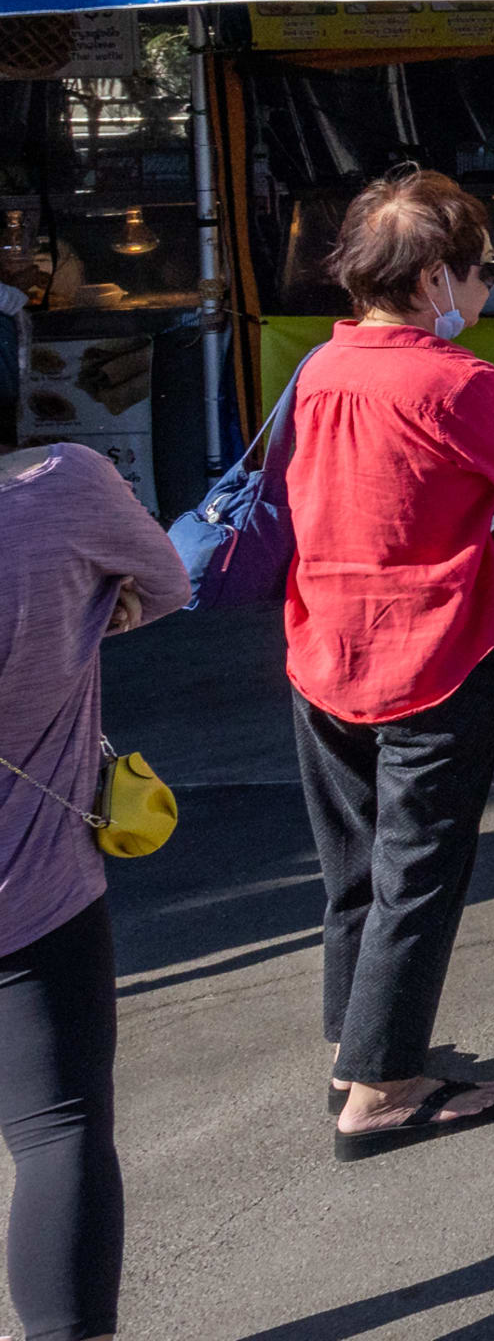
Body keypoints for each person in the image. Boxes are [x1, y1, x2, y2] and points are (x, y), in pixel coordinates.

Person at [285, 168, 494, 1152]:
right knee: (419, 872)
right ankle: (384, 1087)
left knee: (358, 867)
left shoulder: (321, 367)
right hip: (436, 648)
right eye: (483, 267)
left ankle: (356, 1049)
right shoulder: (456, 380)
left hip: (324, 640)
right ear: (435, 278)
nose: (487, 285)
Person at [0, 441, 188, 1338]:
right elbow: (167, 581)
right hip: (30, 889)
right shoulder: (63, 487)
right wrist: (90, 604)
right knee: (57, 1130)